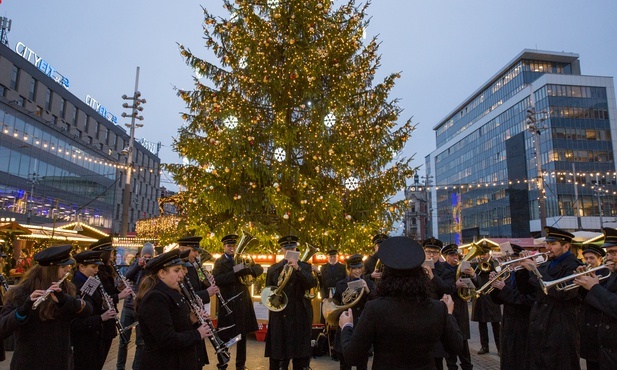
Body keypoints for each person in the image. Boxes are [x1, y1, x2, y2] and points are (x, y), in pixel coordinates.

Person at [339, 236, 463, 369]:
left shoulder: (375, 309)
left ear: (387, 275)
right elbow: (456, 347)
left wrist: (346, 326)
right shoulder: (438, 308)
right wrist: (449, 314)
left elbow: (352, 356)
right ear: (420, 274)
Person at [0, 244, 92, 369]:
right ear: (51, 269)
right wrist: (22, 311)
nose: (67, 270)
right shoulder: (21, 292)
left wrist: (66, 301)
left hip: (60, 362)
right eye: (63, 267)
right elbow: (3, 327)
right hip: (29, 363)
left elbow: (87, 310)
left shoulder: (65, 289)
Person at [136, 249, 212, 370]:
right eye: (176, 270)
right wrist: (197, 334)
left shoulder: (169, 292)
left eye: (181, 270)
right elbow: (167, 339)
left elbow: (175, 324)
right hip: (162, 363)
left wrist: (191, 320)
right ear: (162, 273)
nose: (181, 275)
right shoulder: (155, 298)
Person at [519, 226, 583, 370]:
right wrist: (522, 267)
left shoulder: (574, 265)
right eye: (547, 243)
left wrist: (535, 270)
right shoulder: (547, 263)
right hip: (541, 324)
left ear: (566, 246)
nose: (548, 247)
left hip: (560, 327)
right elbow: (529, 290)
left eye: (553, 244)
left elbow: (563, 293)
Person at [264, 235, 317, 370]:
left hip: (299, 314)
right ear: (282, 250)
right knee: (278, 355)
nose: (289, 252)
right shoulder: (273, 269)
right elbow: (269, 291)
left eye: (292, 249)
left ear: (296, 250)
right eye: (286, 249)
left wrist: (298, 269)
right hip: (280, 315)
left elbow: (311, 283)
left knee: (299, 357)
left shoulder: (305, 267)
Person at [212, 234, 263, 370]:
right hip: (228, 302)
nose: (232, 248)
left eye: (233, 246)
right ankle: (222, 363)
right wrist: (236, 271)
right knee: (225, 335)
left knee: (242, 335)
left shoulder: (244, 258)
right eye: (229, 246)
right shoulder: (219, 262)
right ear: (224, 247)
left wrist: (251, 270)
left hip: (242, 301)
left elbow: (260, 268)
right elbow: (217, 279)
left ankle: (240, 364)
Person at [574, 227, 617, 370]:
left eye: (613, 252)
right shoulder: (613, 274)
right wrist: (583, 284)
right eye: (608, 253)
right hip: (604, 347)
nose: (609, 257)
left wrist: (594, 288)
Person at [489, 244, 536, 370]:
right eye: (506, 258)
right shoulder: (509, 274)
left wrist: (503, 289)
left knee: (521, 361)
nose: (508, 262)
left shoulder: (529, 275)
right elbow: (498, 301)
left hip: (524, 324)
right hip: (508, 323)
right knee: (508, 359)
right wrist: (495, 287)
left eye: (511, 258)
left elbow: (528, 300)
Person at [71, 249, 117, 370]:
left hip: (95, 337)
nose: (96, 270)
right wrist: (101, 317)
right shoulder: (75, 285)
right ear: (81, 267)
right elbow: (76, 321)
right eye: (93, 267)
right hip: (83, 341)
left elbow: (94, 306)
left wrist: (104, 305)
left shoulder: (91, 281)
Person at [332, 254, 376, 370]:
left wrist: (367, 290)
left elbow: (376, 303)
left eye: (359, 268)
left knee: (362, 365)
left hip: (362, 325)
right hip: (346, 325)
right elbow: (335, 303)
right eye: (354, 268)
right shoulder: (341, 284)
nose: (357, 271)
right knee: (345, 364)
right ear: (349, 269)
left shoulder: (370, 283)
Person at [116, 242, 155, 370]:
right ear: (141, 255)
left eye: (150, 256)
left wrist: (148, 267)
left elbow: (151, 282)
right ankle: (120, 367)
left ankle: (136, 367)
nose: (147, 258)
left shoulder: (152, 268)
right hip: (128, 306)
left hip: (142, 309)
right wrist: (138, 266)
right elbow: (126, 277)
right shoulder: (135, 264)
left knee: (140, 342)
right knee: (123, 341)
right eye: (145, 256)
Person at [439, 243, 473, 370]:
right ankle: (452, 366)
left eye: (456, 255)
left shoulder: (462, 267)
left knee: (463, 339)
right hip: (449, 307)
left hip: (461, 307)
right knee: (449, 338)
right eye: (452, 255)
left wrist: (471, 276)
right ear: (446, 256)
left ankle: (467, 365)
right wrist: (456, 285)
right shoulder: (442, 269)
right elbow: (442, 288)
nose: (455, 257)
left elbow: (474, 285)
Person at [422, 237, 453, 370]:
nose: (431, 255)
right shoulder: (417, 270)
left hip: (437, 318)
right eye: (428, 252)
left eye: (434, 252)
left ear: (439, 254)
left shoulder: (446, 271)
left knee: (437, 358)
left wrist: (433, 277)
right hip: (421, 316)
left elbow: (448, 289)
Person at [470, 248, 501, 355]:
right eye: (481, 254)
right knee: (481, 323)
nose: (483, 256)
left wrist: (492, 263)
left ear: (489, 254)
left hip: (492, 296)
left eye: (485, 254)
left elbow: (499, 274)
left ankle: (500, 348)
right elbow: (473, 279)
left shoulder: (494, 263)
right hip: (480, 296)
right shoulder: (475, 265)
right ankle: (484, 346)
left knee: (496, 324)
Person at [178, 236, 219, 303]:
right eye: (194, 250)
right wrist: (206, 293)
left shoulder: (191, 267)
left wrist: (206, 284)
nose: (197, 254)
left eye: (197, 251)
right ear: (182, 249)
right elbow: (184, 297)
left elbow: (196, 288)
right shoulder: (177, 269)